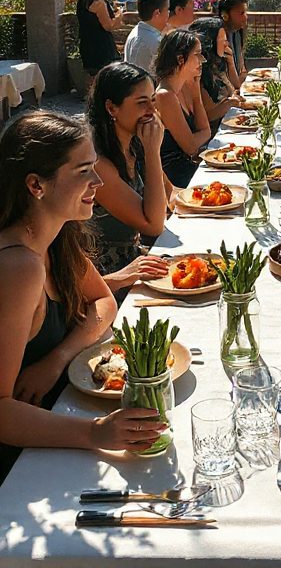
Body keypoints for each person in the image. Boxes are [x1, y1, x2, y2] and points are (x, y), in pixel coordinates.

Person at [0, 112, 165, 482]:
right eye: (83, 171)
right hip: (24, 465)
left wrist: (56, 359)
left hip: (65, 413)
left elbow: (104, 301)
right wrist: (94, 434)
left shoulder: (56, 236)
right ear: (36, 185)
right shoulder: (17, 267)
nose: (99, 181)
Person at [86, 63, 170, 295]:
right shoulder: (97, 164)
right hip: (107, 280)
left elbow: (169, 197)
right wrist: (153, 151)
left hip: (135, 258)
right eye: (142, 102)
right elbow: (153, 225)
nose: (152, 111)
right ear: (112, 108)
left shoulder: (133, 144)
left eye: (153, 100)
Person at [154, 30, 212, 187]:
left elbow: (204, 131)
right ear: (180, 59)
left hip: (189, 166)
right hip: (176, 176)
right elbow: (191, 147)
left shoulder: (184, 87)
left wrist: (196, 94)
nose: (203, 60)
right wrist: (204, 134)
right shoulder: (165, 96)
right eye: (197, 54)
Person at [194, 17, 246, 130]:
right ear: (210, 42)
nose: (226, 43)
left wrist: (231, 63)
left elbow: (236, 87)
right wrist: (230, 103)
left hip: (230, 122)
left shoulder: (217, 64)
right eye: (222, 39)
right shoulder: (200, 72)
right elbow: (208, 115)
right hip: (216, 131)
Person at [76, 0, 122, 77]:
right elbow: (108, 25)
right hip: (101, 48)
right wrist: (120, 14)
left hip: (88, 45)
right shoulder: (97, 1)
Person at [123, 0, 170, 73]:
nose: (168, 14)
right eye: (167, 10)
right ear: (157, 13)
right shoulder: (155, 41)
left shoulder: (137, 31)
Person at [217, 0, 249, 88]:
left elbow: (242, 69)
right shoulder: (219, 39)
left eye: (245, 13)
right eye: (241, 13)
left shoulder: (238, 33)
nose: (245, 17)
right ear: (225, 15)